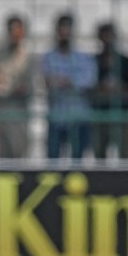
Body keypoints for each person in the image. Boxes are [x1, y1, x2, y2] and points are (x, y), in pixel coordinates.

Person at [41, 13, 96, 160]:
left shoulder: (83, 58)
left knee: (77, 161)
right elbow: (48, 82)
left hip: (78, 116)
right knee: (53, 160)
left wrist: (65, 82)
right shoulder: (49, 57)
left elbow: (89, 82)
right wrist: (73, 81)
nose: (64, 33)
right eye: (61, 29)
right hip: (57, 115)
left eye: (67, 28)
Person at [0, 14, 34, 158]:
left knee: (17, 154)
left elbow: (30, 87)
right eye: (12, 30)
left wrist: (16, 88)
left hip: (17, 111)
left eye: (18, 30)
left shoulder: (28, 58)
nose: (15, 34)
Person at [90, 21, 128, 159]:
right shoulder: (94, 62)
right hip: (99, 116)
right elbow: (88, 90)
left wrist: (118, 89)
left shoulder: (127, 63)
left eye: (109, 36)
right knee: (99, 156)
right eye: (104, 36)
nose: (107, 40)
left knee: (125, 157)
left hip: (121, 115)